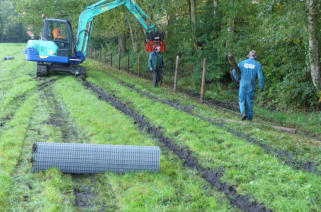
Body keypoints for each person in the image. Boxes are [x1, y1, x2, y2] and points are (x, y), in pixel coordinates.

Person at [232, 50, 264, 121]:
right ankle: (249, 118)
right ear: (255, 57)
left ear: (249, 56)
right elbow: (260, 77)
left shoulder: (242, 63)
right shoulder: (258, 64)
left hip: (243, 82)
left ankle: (243, 113)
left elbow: (234, 71)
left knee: (241, 99)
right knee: (250, 100)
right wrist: (261, 86)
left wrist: (238, 79)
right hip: (251, 84)